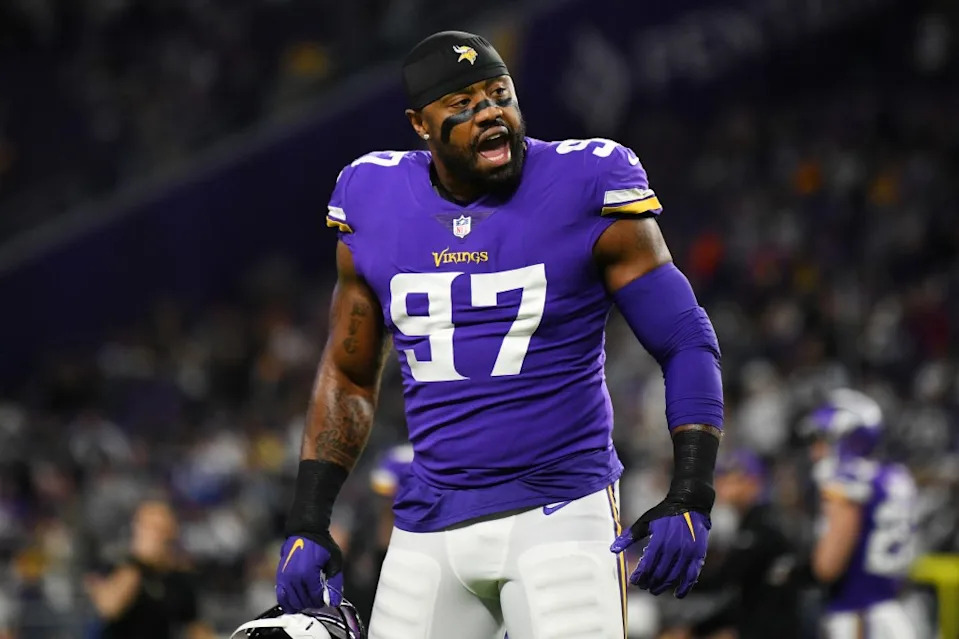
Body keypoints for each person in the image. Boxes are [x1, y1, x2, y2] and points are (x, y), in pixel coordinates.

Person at [275, 30, 724, 639]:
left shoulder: (585, 182)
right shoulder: (371, 196)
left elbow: (685, 339)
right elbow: (349, 371)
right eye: (461, 103)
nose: (488, 110)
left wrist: (693, 489)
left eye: (499, 92)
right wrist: (308, 517)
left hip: (560, 514)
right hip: (426, 524)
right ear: (420, 125)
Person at [798, 388, 919, 639]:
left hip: (858, 620)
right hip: (895, 611)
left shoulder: (847, 485)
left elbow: (827, 567)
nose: (815, 451)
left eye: (823, 439)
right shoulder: (894, 477)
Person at [663, 449, 800, 639]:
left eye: (733, 479)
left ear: (755, 483)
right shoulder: (753, 522)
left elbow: (722, 578)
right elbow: (743, 597)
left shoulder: (763, 527)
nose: (722, 484)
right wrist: (697, 629)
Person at [84, 500, 216, 639]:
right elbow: (109, 608)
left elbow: (196, 626)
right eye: (149, 528)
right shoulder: (113, 564)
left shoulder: (180, 578)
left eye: (160, 530)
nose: (155, 536)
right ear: (136, 529)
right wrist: (138, 563)